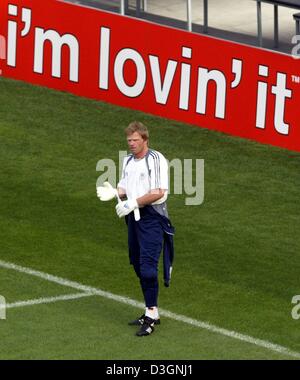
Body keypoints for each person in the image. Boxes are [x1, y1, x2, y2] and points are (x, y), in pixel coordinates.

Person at [115, 121, 175, 337]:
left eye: (135, 140)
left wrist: (133, 202)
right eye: (129, 140)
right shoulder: (128, 160)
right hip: (134, 218)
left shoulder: (156, 159)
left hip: (152, 218)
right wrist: (116, 193)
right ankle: (152, 310)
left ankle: (150, 314)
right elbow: (124, 185)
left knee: (148, 266)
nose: (131, 144)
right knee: (137, 263)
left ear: (145, 140)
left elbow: (158, 191)